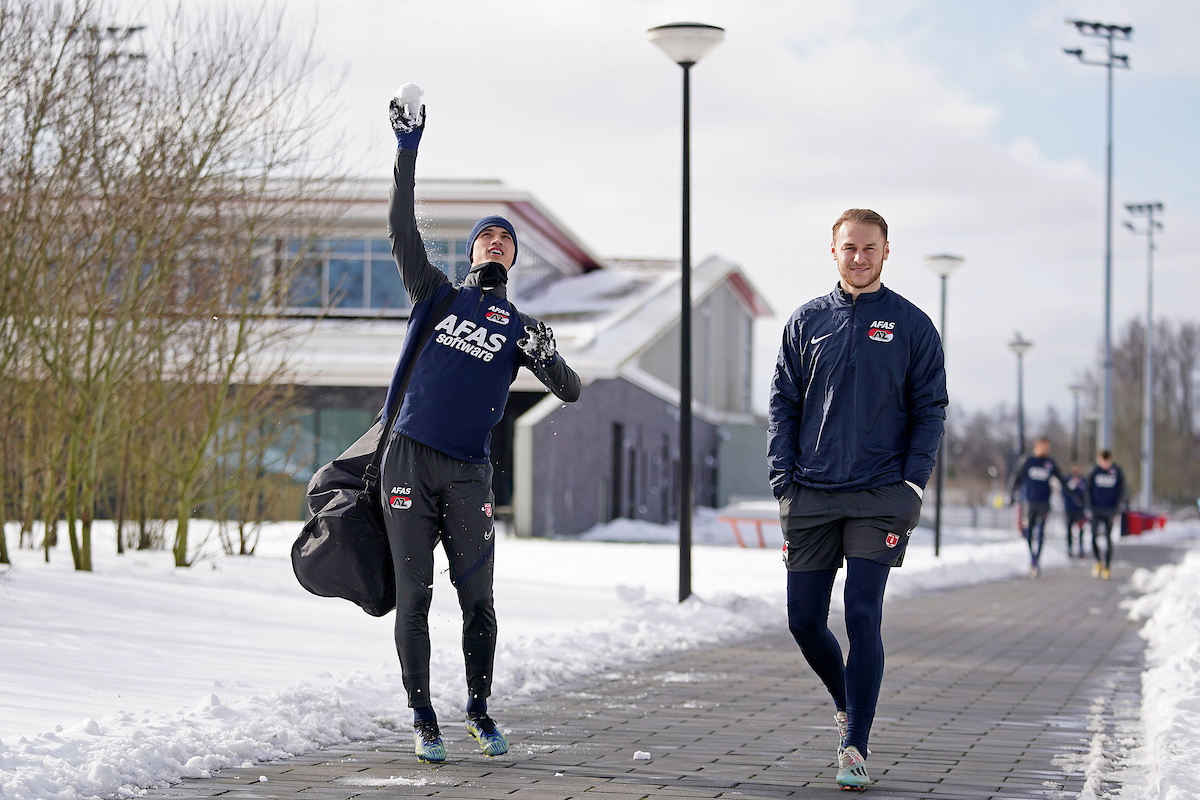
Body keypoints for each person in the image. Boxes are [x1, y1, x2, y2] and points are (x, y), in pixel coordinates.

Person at [383, 92, 581, 763]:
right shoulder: (439, 296)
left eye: (505, 238)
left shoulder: (523, 329)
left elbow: (570, 391)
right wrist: (407, 151)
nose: (495, 242)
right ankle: (422, 716)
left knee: (479, 601)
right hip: (408, 462)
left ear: (515, 257)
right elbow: (402, 231)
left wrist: (549, 354)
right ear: (471, 252)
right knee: (415, 596)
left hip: (469, 473)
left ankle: (478, 708)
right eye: (485, 236)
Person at [768, 209, 946, 791]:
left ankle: (855, 744)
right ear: (834, 250)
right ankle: (848, 702)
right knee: (803, 621)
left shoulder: (912, 325)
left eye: (870, 248)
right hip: (812, 493)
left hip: (880, 495)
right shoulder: (806, 322)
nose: (859, 257)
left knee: (862, 612)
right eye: (850, 247)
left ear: (887, 251)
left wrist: (913, 482)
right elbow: (783, 405)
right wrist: (783, 480)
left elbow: (930, 409)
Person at [1008, 438, 1065, 577]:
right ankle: (1032, 555)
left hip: (1044, 503)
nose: (1047, 450)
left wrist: (1074, 496)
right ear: (1037, 447)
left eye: (1048, 448)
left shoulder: (1050, 463)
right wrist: (1010, 494)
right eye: (1044, 447)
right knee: (1028, 531)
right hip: (1028, 502)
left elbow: (1062, 480)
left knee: (1040, 532)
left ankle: (1036, 561)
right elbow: (1016, 478)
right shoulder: (1027, 461)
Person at [1087, 450, 1127, 580]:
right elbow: (1087, 490)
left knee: (1108, 538)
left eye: (1107, 461)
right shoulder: (1094, 471)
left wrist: (1118, 508)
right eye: (1103, 461)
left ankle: (1107, 567)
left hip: (1110, 510)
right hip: (1096, 510)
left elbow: (1123, 490)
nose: (1105, 464)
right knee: (1094, 536)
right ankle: (1098, 561)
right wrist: (1089, 507)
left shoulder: (1117, 471)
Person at [1062, 463, 1088, 558]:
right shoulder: (1067, 480)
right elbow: (1064, 492)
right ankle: (1069, 548)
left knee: (1081, 530)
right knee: (1069, 529)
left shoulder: (1083, 481)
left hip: (1080, 510)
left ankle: (1081, 548)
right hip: (1069, 509)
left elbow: (1086, 493)